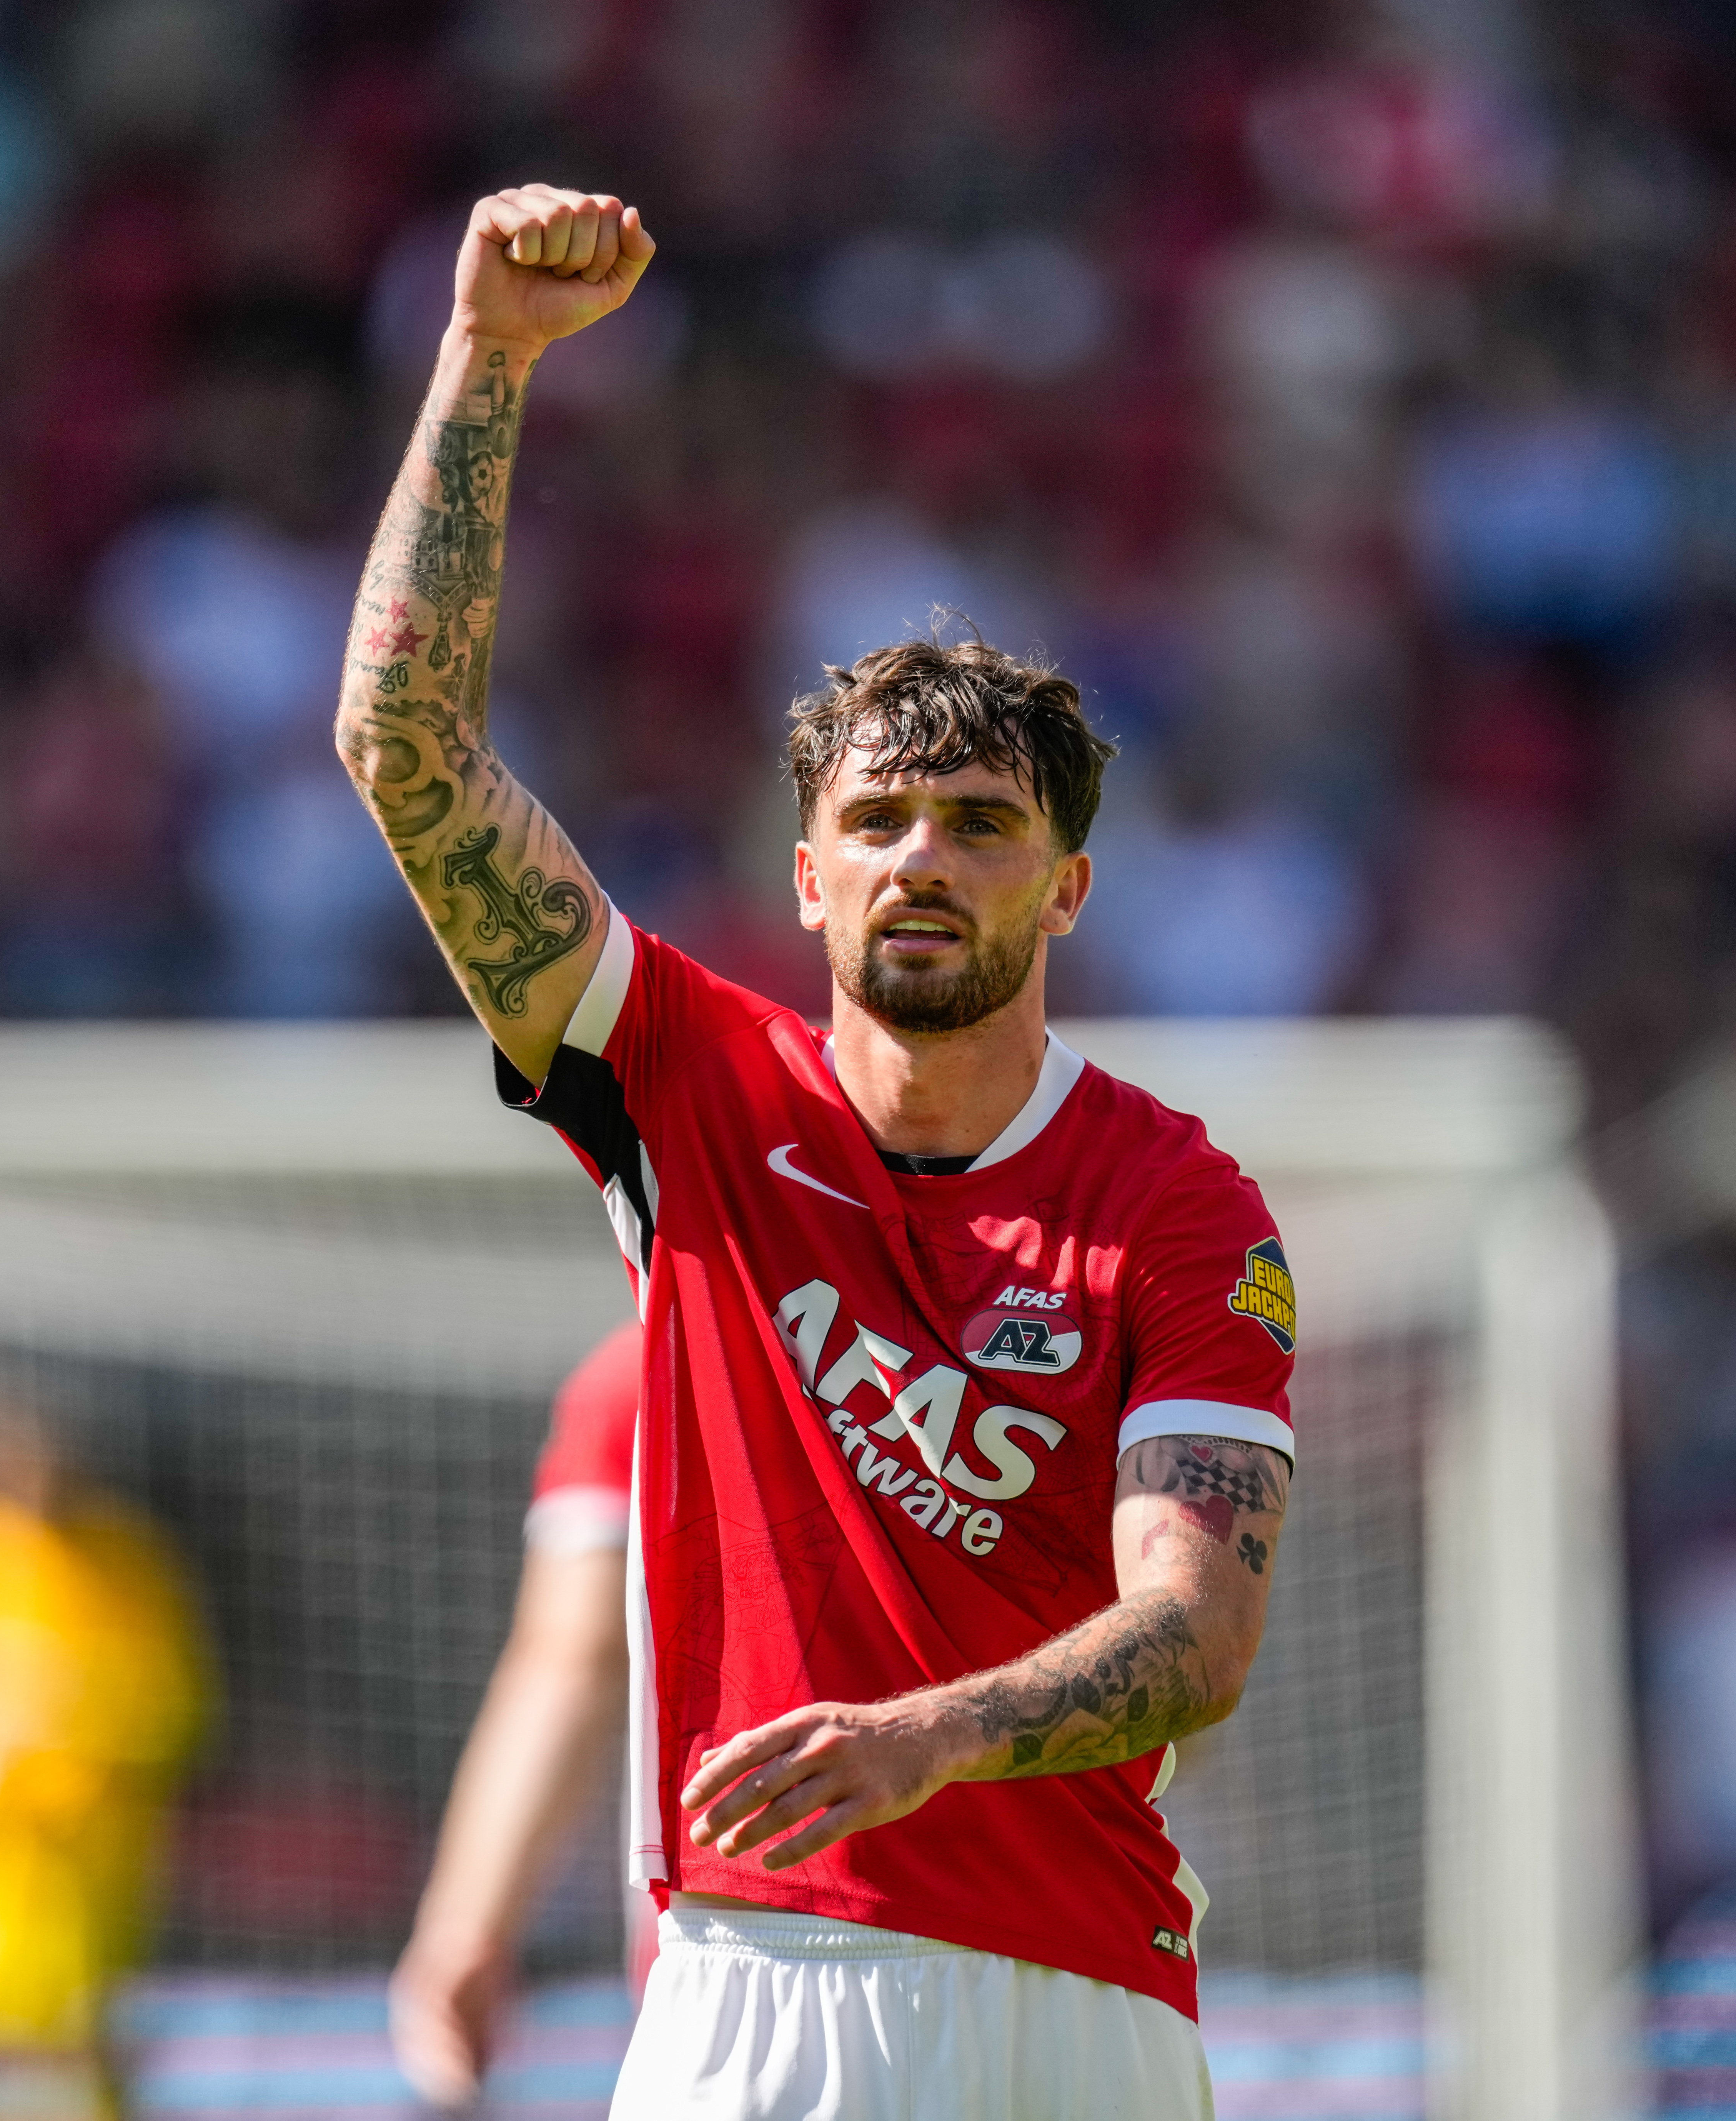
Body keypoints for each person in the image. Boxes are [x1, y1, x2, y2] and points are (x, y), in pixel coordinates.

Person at [331, 187, 1298, 2119]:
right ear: (808, 871)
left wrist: (925, 1741)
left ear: (1073, 882)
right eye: (879, 819)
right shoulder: (688, 1083)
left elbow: (1195, 1637)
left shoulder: (1180, 1203)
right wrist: (492, 358)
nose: (923, 856)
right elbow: (404, 752)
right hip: (763, 1974)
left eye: (980, 821)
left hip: (1087, 2003)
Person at [0, 1389, 212, 2121]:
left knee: (61, 2066)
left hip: (74, 1872)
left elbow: (175, 1711)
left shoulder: (123, 1564)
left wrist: (60, 1722)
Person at [391, 1317, 652, 2110]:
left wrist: (466, 1924)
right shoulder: (1039, 1308)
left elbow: (571, 1654)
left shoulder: (657, 1357)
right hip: (1032, 1923)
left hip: (759, 1969)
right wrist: (465, 1926)